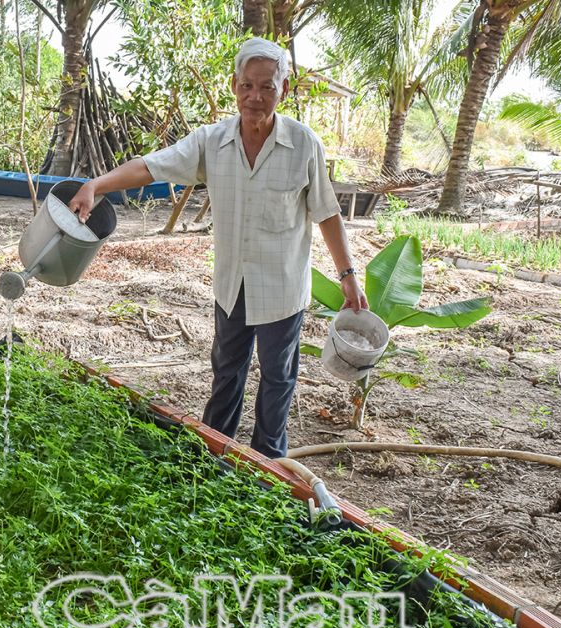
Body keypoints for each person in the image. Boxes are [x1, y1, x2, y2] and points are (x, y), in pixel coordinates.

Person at [68, 37, 367, 458]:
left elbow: (326, 212)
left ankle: (269, 465)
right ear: (234, 86)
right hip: (233, 285)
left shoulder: (304, 145)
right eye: (247, 85)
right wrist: (95, 185)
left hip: (281, 289)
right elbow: (152, 166)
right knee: (227, 372)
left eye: (266, 86)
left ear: (283, 89)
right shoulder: (212, 141)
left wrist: (349, 275)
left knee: (278, 378)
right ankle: (213, 457)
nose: (255, 96)